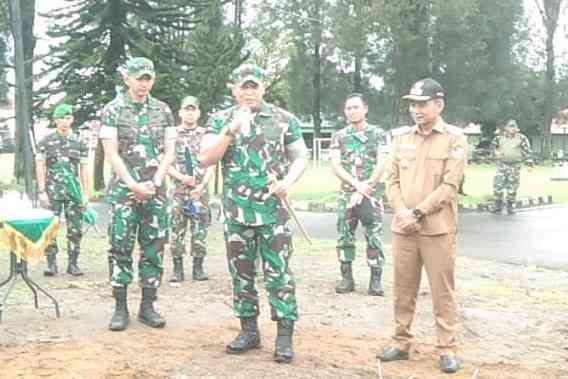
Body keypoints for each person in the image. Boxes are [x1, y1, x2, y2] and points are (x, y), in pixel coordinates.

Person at [199, 64, 308, 363]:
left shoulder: (284, 119)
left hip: (273, 213)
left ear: (264, 87)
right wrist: (230, 131)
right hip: (237, 213)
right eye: (243, 86)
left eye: (254, 86)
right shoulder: (220, 119)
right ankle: (249, 331)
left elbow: (300, 157)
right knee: (242, 275)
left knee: (279, 275)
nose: (248, 91)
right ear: (233, 88)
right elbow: (206, 158)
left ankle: (284, 335)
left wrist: (288, 182)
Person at [379, 78, 467, 374]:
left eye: (422, 103)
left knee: (442, 291)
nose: (416, 109)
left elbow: (450, 186)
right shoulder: (401, 138)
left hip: (437, 229)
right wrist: (402, 211)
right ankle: (401, 342)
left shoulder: (454, 138)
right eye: (413, 104)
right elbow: (390, 180)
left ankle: (447, 348)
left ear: (438, 105)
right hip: (404, 228)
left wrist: (417, 211)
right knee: (403, 289)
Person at [99, 57, 176, 331]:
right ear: (127, 79)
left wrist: (154, 182)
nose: (143, 84)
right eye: (139, 78)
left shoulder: (164, 110)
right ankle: (120, 307)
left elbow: (170, 150)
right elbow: (111, 153)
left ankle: (148, 305)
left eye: (148, 78)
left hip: (155, 190)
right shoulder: (112, 110)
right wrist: (132, 184)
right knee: (120, 247)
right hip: (124, 192)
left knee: (154, 247)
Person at [329, 93, 388, 296]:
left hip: (372, 194)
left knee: (374, 236)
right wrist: (356, 185)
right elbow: (336, 166)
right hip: (347, 194)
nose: (352, 111)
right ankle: (347, 278)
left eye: (355, 107)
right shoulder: (339, 136)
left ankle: (375, 281)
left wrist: (367, 186)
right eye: (348, 108)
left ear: (365, 109)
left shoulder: (379, 134)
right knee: (345, 235)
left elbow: (382, 162)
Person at [35, 103, 90, 277]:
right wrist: (42, 191)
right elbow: (40, 166)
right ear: (55, 120)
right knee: (50, 227)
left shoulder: (80, 142)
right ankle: (51, 263)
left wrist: (86, 194)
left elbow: (84, 169)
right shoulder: (46, 142)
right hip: (53, 192)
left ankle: (73, 264)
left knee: (75, 229)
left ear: (72, 119)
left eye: (68, 118)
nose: (65, 122)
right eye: (61, 118)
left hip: (74, 192)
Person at [168, 96, 214, 282]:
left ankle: (198, 268)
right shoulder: (172, 135)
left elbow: (212, 163)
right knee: (176, 229)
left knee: (200, 229)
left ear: (198, 112)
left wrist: (201, 185)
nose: (189, 113)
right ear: (180, 112)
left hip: (199, 191)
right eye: (186, 109)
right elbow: (165, 162)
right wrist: (181, 177)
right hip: (178, 191)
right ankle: (177, 269)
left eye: (193, 109)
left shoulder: (206, 135)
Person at [490, 119, 533, 215]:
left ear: (517, 128)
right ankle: (497, 206)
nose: (512, 129)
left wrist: (529, 164)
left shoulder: (521, 138)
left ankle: (510, 206)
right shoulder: (499, 138)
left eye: (514, 127)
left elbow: (527, 151)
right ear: (506, 128)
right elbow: (492, 148)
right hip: (502, 165)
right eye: (510, 126)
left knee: (513, 186)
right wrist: (495, 153)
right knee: (498, 185)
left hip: (515, 165)